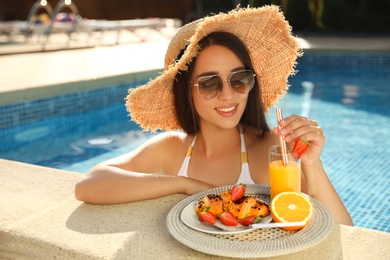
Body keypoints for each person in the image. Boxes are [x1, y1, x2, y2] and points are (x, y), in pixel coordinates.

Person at [75, 6, 353, 226]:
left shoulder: (269, 150)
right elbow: (89, 185)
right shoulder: (173, 150)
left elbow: (343, 228)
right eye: (209, 83)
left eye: (239, 79)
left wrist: (313, 166)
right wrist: (185, 185)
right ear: (187, 92)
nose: (228, 94)